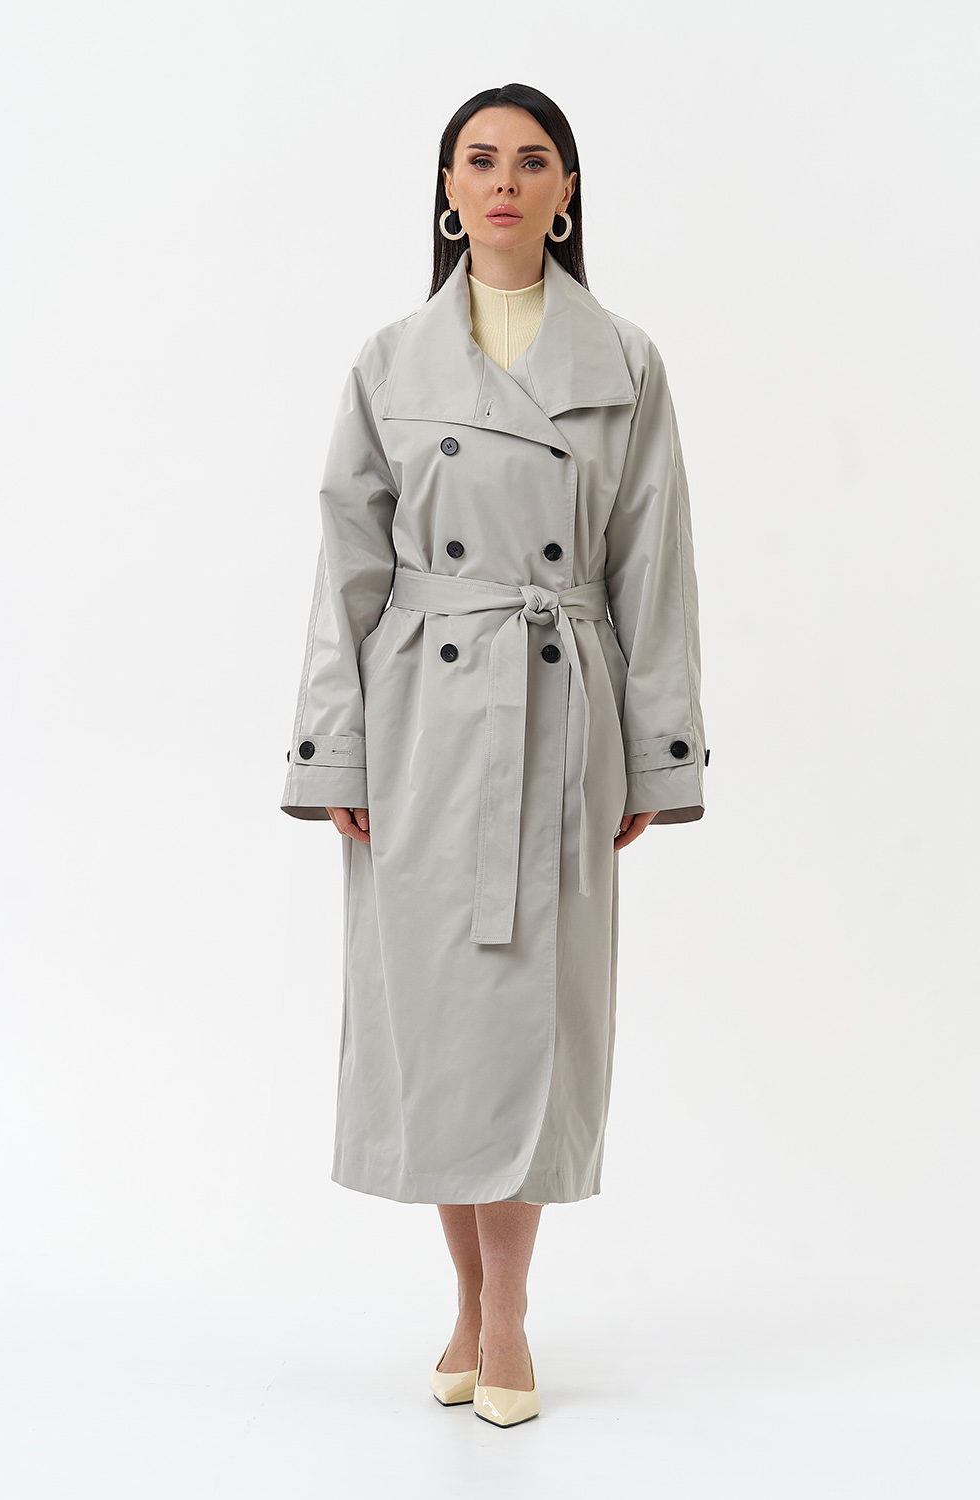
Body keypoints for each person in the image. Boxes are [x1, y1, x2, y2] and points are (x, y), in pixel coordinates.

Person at [280, 83, 707, 1427]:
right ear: (449, 189)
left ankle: (508, 1313)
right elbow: (346, 569)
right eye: (480, 159)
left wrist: (658, 755)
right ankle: (465, 1303)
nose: (505, 180)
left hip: (559, 722)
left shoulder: (624, 361)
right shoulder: (390, 363)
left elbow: (655, 567)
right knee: (442, 1031)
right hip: (422, 727)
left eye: (532, 160)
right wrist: (335, 754)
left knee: (533, 1028)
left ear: (565, 193)